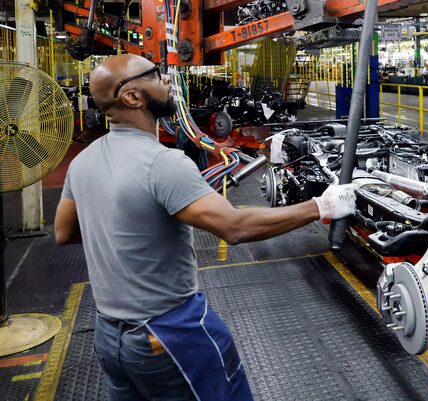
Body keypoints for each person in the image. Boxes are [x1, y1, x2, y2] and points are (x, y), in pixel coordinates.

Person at [54, 54, 357, 401]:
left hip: (110, 338)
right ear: (132, 97)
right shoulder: (163, 164)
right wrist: (322, 206)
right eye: (155, 75)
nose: (168, 81)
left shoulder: (83, 162)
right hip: (168, 334)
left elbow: (64, 232)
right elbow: (235, 227)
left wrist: (124, 231)